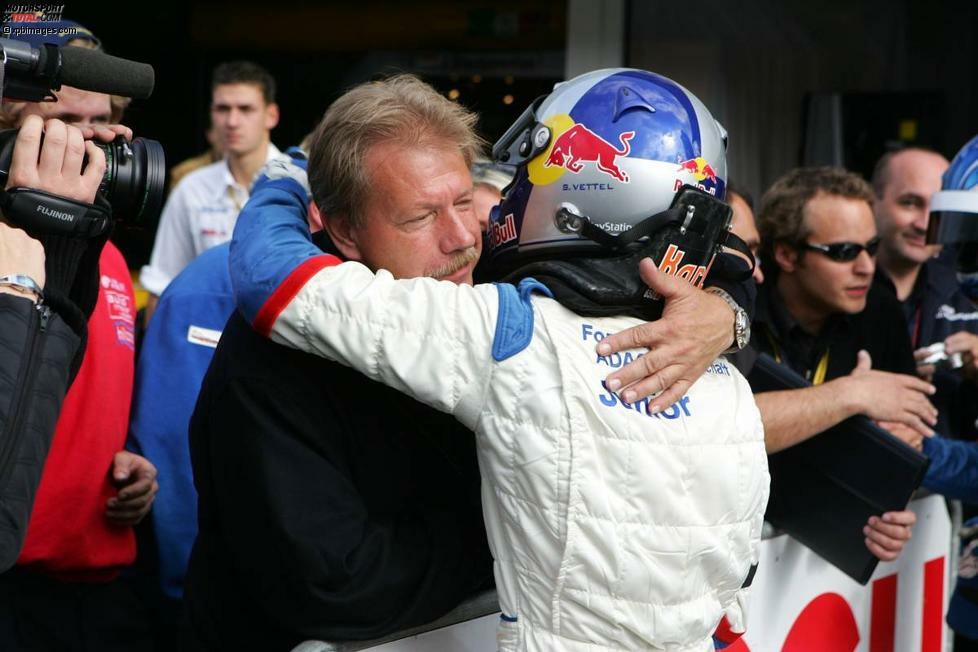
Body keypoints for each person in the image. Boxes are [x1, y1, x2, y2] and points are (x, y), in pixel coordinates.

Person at [219, 70, 767, 651]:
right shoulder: (275, 354)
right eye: (420, 217)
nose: (462, 237)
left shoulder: (496, 282)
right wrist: (541, 517)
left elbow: (704, 245)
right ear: (344, 230)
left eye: (463, 200)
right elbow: (335, 584)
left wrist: (724, 313)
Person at [0, 23, 157, 652]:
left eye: (105, 119)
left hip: (96, 585)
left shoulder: (106, 253)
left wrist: (131, 460)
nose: (96, 140)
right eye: (66, 120)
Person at [139, 60, 281, 315]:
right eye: (222, 109)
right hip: (205, 336)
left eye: (246, 109)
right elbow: (162, 286)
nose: (232, 121)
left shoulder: (300, 182)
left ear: (271, 115)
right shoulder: (192, 187)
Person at [870, 148, 978, 440]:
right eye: (909, 203)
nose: (924, 223)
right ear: (873, 202)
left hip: (949, 473)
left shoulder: (968, 288)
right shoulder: (836, 289)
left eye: (937, 207)